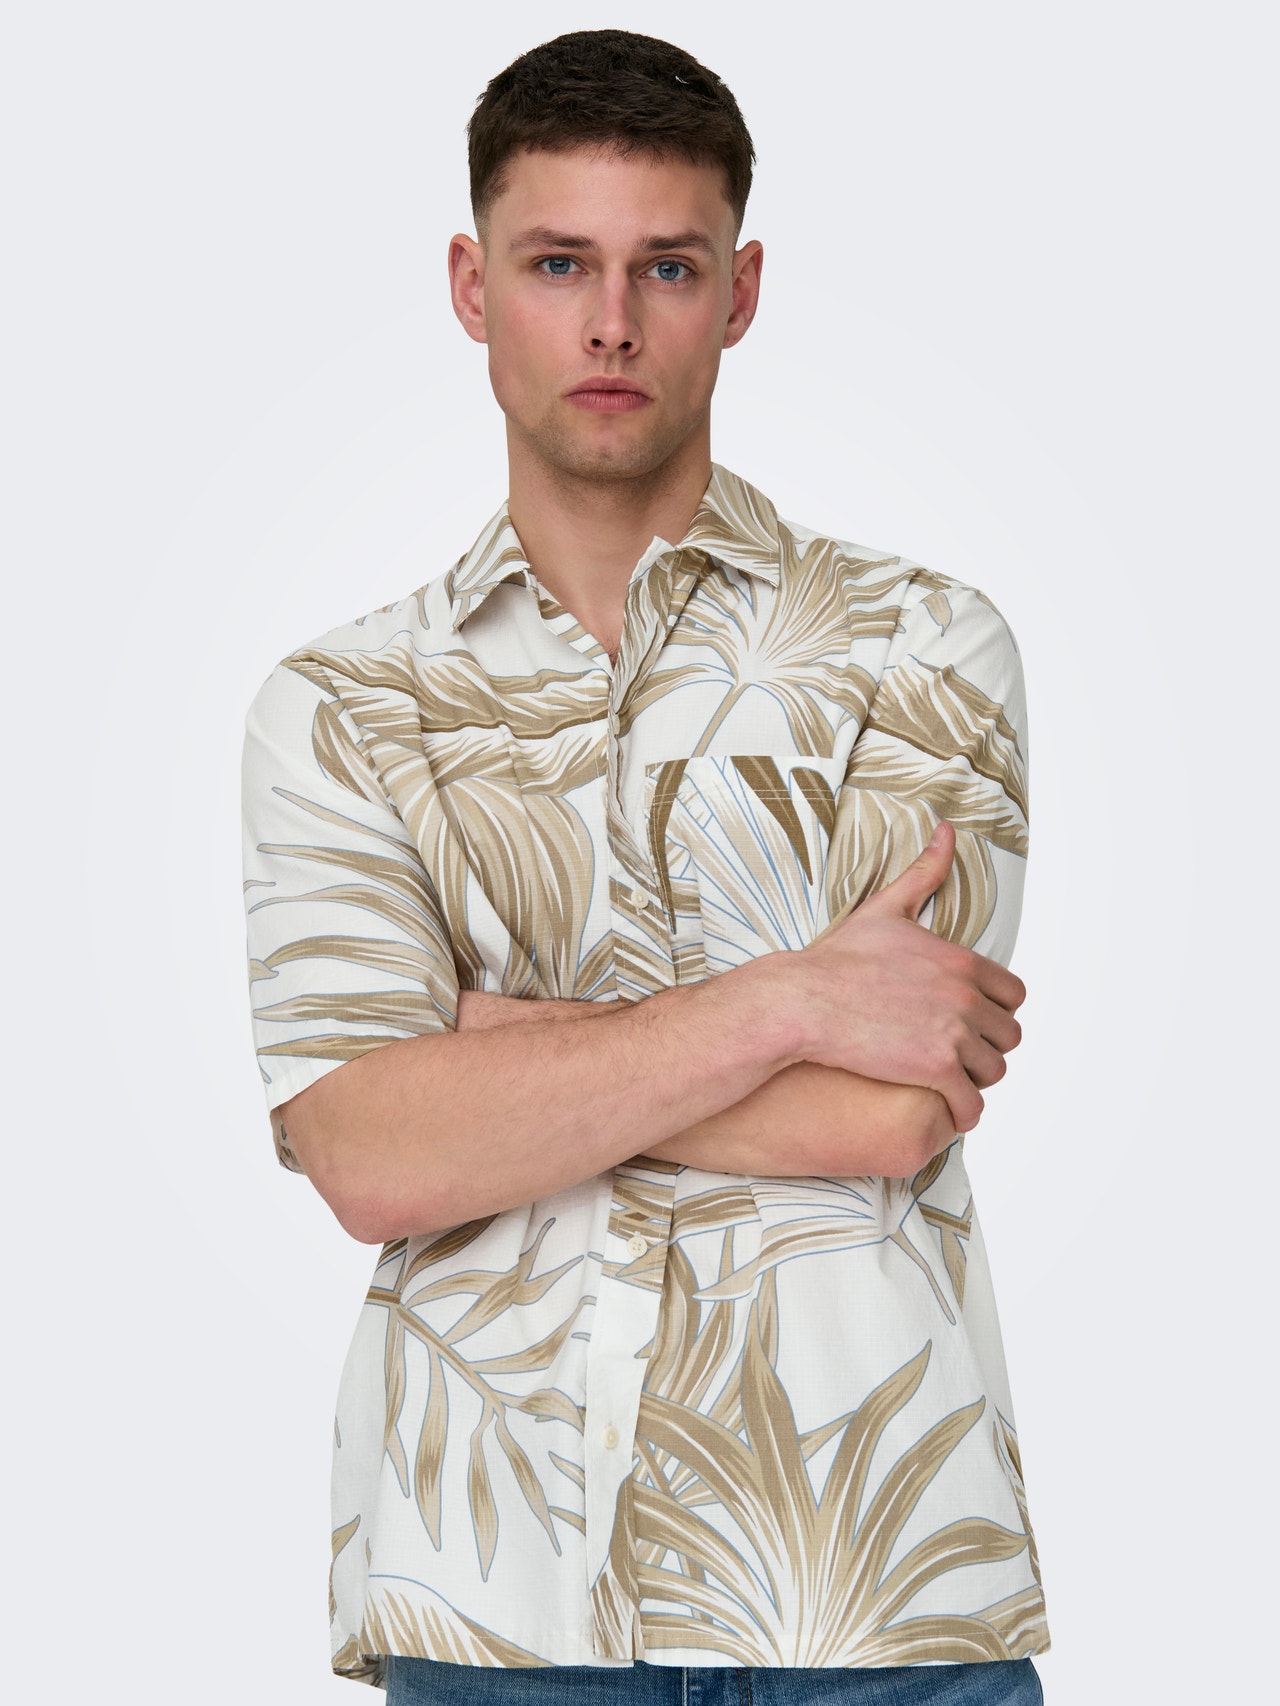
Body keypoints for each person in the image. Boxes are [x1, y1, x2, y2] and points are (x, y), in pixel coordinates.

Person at [240, 27, 1047, 1706]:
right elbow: (371, 1158)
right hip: (495, 1604)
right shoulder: (343, 709)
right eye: (559, 264)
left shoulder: (920, 645)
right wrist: (793, 1001)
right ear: (472, 288)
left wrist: (483, 1060)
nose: (611, 322)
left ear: (738, 293)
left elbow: (892, 1108)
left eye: (665, 267)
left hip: (878, 1599)